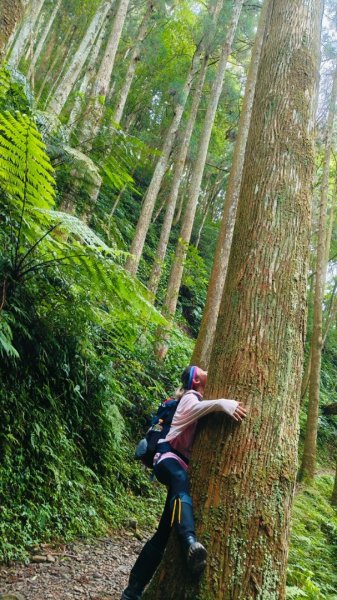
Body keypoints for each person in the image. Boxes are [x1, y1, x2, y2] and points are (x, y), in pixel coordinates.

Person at [121, 365, 247, 600]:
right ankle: (189, 540)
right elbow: (200, 408)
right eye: (203, 370)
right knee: (180, 478)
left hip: (178, 463)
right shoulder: (190, 397)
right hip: (168, 460)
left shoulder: (195, 397)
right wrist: (222, 403)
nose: (209, 370)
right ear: (196, 379)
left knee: (162, 533)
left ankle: (132, 591)